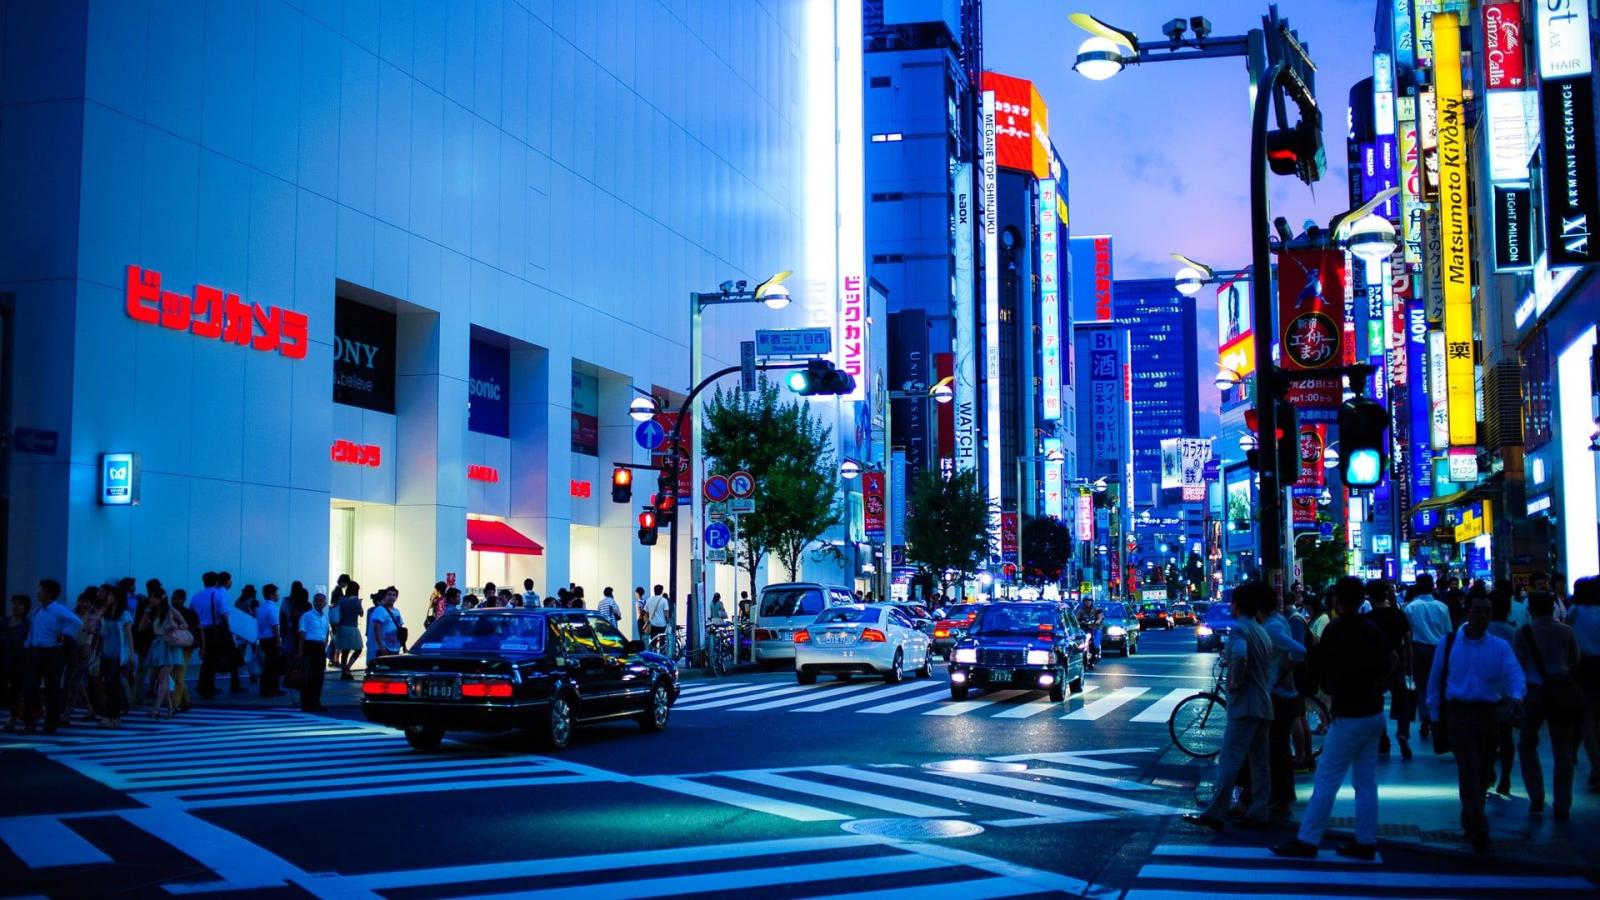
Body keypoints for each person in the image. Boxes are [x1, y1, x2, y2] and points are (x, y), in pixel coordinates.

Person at [1273, 577, 1397, 860]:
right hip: (1373, 712)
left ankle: (1308, 840)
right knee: (1366, 781)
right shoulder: (1371, 628)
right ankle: (1365, 841)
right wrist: (1378, 684)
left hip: (1349, 713)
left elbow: (1323, 674)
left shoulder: (1336, 630)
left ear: (1336, 601)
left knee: (1328, 777)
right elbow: (1393, 660)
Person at [1427, 591, 1526, 853]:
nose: (1484, 616)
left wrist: (1516, 696)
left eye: (1487, 611)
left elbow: (1514, 672)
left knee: (1482, 769)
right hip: (1459, 712)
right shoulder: (1448, 644)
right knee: (1470, 766)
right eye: (1479, 610)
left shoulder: (1499, 647)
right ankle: (1479, 822)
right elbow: (1435, 680)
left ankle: (1471, 813)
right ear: (1467, 612)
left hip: (1489, 713)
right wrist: (1435, 715)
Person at [1183, 580, 1275, 831]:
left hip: (1245, 704)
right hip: (1263, 702)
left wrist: (1234, 681)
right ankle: (1260, 810)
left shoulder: (1240, 631)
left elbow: (1241, 656)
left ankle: (1216, 811)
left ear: (1235, 606)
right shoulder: (1261, 630)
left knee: (1230, 759)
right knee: (1260, 762)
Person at [1514, 591, 1581, 820]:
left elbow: (1518, 664)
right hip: (1561, 691)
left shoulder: (1524, 633)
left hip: (1533, 693)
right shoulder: (1567, 631)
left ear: (1530, 609)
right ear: (1553, 608)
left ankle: (1536, 796)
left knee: (1526, 744)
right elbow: (1575, 661)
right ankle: (1563, 803)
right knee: (1564, 751)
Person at [1262, 586, 1307, 819]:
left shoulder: (1271, 627)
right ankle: (1279, 798)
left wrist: (1283, 671)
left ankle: (1282, 800)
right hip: (1280, 693)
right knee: (1277, 748)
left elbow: (1299, 650)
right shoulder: (1279, 620)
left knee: (1277, 749)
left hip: (1277, 696)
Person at [19, 580, 80, 733]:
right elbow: (32, 632)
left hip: (52, 653)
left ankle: (51, 723)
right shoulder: (37, 611)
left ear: (49, 593)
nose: (37, 592)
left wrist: (64, 634)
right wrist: (27, 647)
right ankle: (29, 722)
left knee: (51, 689)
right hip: (34, 652)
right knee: (30, 688)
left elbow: (77, 622)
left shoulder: (58, 610)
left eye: (40, 590)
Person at [1365, 579, 1414, 759]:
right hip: (1397, 663)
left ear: (1369, 596)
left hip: (1375, 666)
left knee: (1376, 702)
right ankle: (1402, 733)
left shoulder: (1368, 618)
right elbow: (1408, 641)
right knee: (1402, 700)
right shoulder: (1398, 615)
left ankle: (1383, 737)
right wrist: (1409, 663)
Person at [1404, 574, 1452, 741]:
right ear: (1433, 586)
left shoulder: (1411, 607)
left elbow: (1407, 635)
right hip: (1439, 648)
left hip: (1419, 649)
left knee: (1422, 686)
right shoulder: (1442, 607)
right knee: (1440, 685)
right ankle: (1436, 719)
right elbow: (1448, 633)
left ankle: (1425, 717)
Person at [143, 588, 189, 719]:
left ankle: (156, 709)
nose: (151, 600)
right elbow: (143, 627)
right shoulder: (152, 612)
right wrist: (146, 615)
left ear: (160, 598)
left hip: (168, 645)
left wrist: (175, 627)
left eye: (153, 597)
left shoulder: (170, 610)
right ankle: (170, 708)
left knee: (162, 678)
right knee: (163, 679)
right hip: (158, 644)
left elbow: (185, 624)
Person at [96, 587, 134, 727]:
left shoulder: (124, 614)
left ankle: (114, 716)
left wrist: (131, 654)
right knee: (106, 683)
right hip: (106, 652)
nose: (109, 596)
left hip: (118, 654)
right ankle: (109, 714)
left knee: (113, 683)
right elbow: (97, 624)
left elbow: (129, 636)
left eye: (112, 594)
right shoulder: (105, 612)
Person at [298, 594, 330, 712]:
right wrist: (300, 651)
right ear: (313, 602)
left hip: (320, 647)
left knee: (319, 677)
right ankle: (305, 703)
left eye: (321, 601)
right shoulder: (306, 616)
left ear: (325, 603)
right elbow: (302, 633)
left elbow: (326, 631)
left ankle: (315, 702)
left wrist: (326, 643)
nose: (319, 603)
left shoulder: (325, 617)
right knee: (308, 676)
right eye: (317, 600)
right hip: (309, 646)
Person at [1, 595, 27, 730]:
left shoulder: (27, 625)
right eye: (14, 603)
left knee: (16, 691)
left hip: (19, 663)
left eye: (19, 604)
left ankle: (13, 717)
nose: (15, 607)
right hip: (4, 660)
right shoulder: (4, 622)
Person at [170, 590, 198, 711]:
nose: (172, 600)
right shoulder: (189, 613)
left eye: (175, 598)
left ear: (181, 599)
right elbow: (198, 629)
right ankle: (185, 701)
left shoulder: (183, 613)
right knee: (177, 676)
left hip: (181, 647)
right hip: (185, 646)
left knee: (178, 676)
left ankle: (175, 704)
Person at [257, 584, 284, 698]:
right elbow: (275, 626)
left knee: (268, 665)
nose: (278, 595)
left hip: (263, 639)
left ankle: (267, 688)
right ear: (271, 595)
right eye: (276, 593)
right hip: (271, 639)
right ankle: (272, 689)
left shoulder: (261, 608)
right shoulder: (272, 609)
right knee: (273, 666)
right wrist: (278, 642)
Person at [333, 583, 364, 680]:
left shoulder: (341, 600)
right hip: (352, 628)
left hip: (341, 627)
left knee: (345, 651)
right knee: (358, 649)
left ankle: (344, 672)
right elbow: (361, 613)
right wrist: (360, 604)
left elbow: (336, 610)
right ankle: (348, 667)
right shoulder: (356, 601)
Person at [368, 589, 403, 662]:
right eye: (389, 594)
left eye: (394, 595)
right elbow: (377, 629)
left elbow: (400, 629)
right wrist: (381, 646)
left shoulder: (397, 611)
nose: (391, 597)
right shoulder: (380, 610)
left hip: (395, 647)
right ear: (384, 597)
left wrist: (404, 646)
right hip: (384, 648)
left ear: (396, 598)